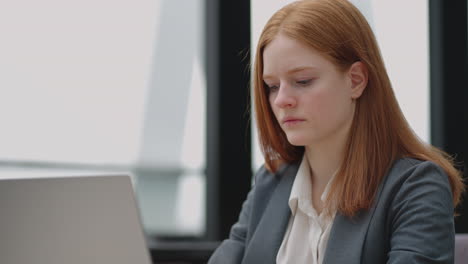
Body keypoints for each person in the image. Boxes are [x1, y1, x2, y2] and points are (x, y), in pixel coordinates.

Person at [208, 0, 465, 263]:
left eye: (302, 81)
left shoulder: (416, 187)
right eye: (272, 86)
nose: (281, 100)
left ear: (356, 80)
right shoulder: (270, 182)